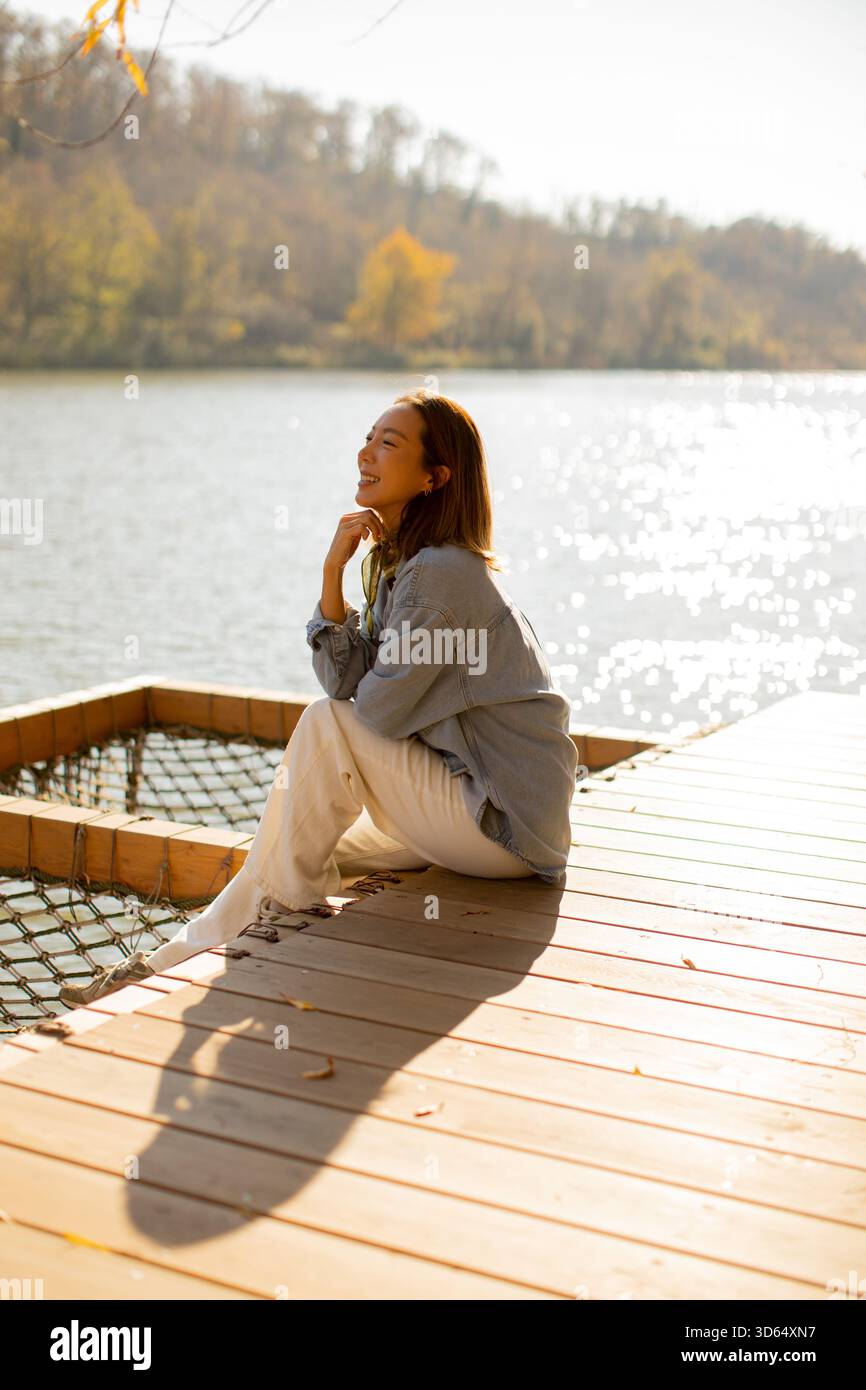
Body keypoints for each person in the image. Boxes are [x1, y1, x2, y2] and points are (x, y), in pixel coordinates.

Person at [59, 389, 577, 1008]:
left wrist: (360, 674)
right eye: (368, 436)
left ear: (436, 478)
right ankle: (173, 962)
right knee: (275, 855)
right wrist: (333, 572)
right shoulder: (404, 566)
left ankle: (265, 922)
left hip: (503, 824)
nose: (366, 452)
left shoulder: (445, 575)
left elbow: (370, 713)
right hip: (478, 809)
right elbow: (347, 682)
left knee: (322, 734)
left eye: (389, 442)